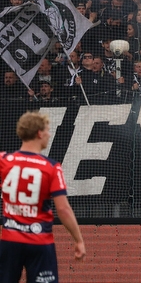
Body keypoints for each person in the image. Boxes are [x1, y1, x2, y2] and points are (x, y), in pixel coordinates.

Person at [0, 111, 86, 283]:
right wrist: (79, 240)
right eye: (47, 130)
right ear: (39, 133)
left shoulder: (4, 160)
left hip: (9, 240)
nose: (49, 134)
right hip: (39, 242)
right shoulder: (51, 167)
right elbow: (63, 209)